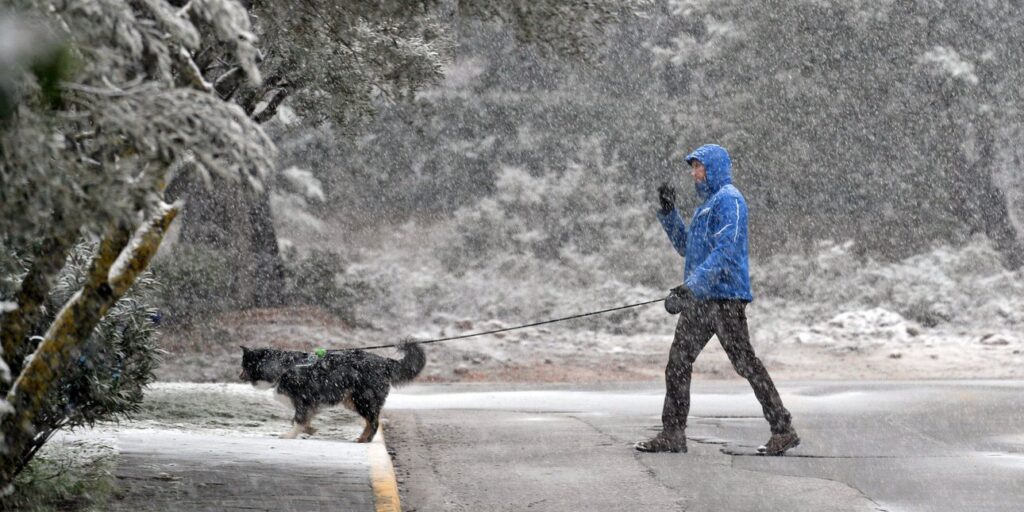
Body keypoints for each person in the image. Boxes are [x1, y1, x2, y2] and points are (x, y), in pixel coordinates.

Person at [635, 143, 799, 455]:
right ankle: (673, 433)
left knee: (745, 364)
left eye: (699, 167)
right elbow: (687, 248)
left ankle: (783, 428)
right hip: (701, 299)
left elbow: (726, 251)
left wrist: (690, 287)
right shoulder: (706, 206)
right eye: (693, 168)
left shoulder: (730, 200)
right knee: (678, 363)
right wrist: (670, 215)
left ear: (715, 168)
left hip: (725, 299)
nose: (695, 174)